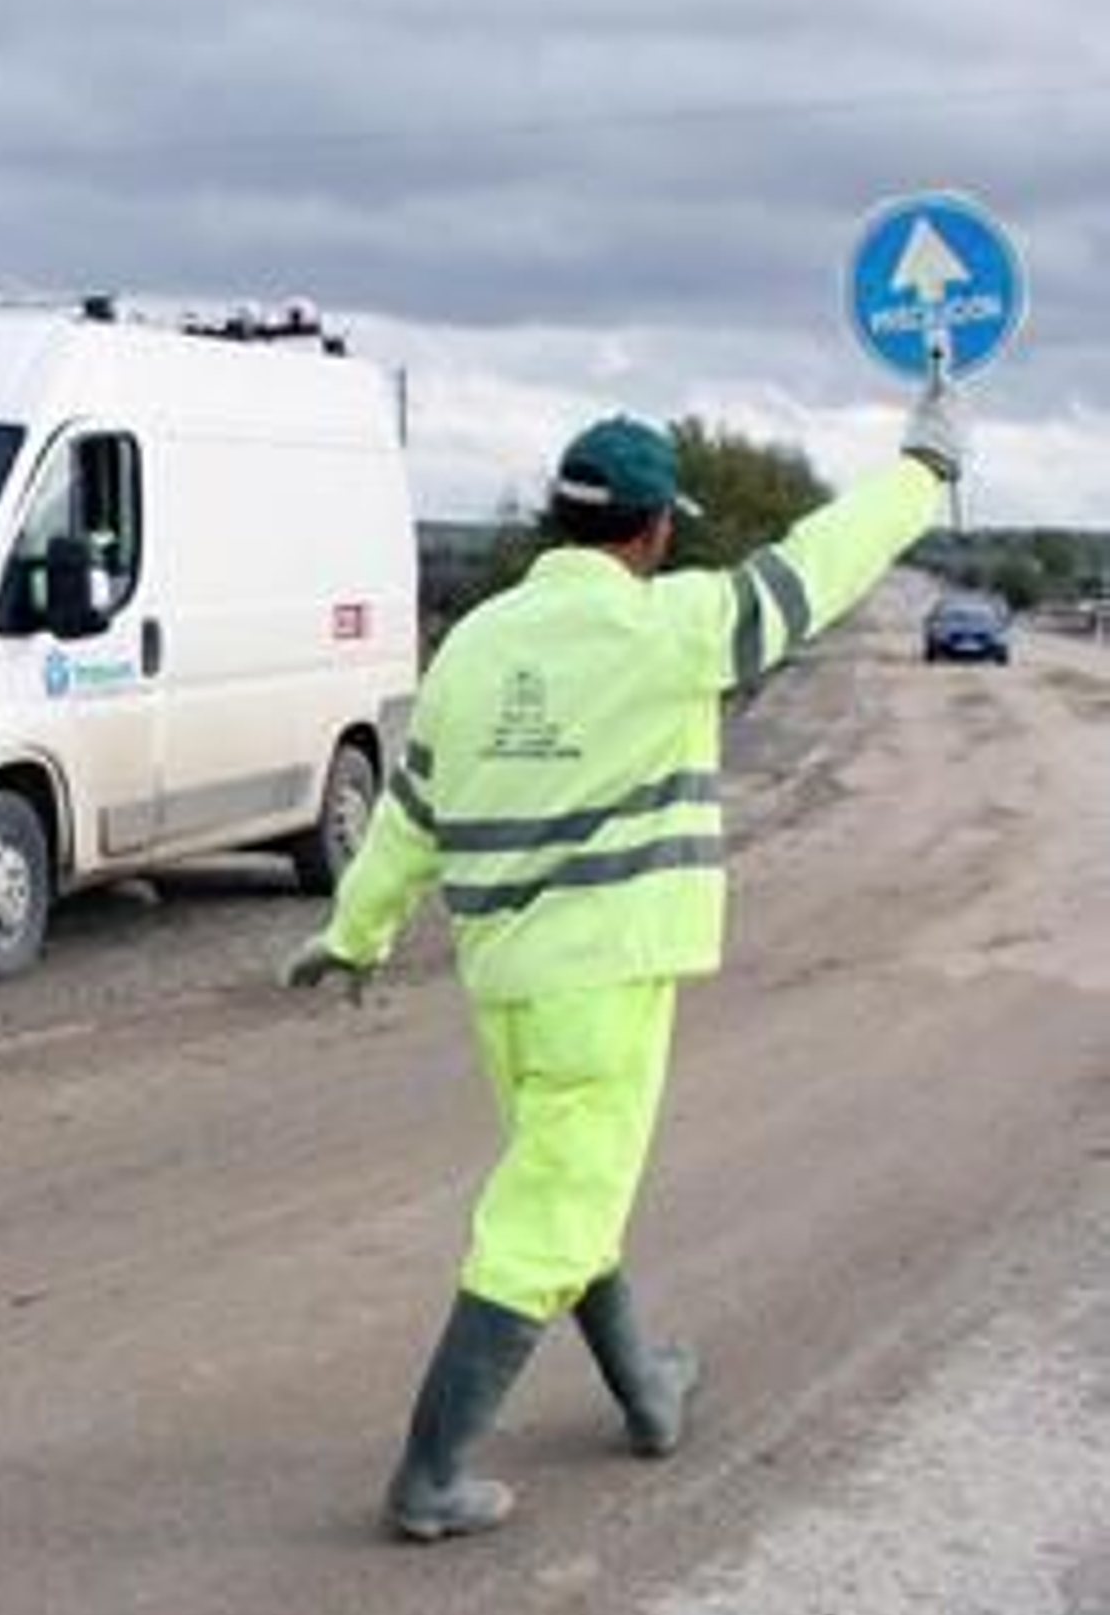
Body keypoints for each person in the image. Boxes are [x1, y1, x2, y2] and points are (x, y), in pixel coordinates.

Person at [286, 387, 962, 1543]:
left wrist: (354, 930)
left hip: (505, 982)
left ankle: (647, 1389)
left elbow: (411, 809)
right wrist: (921, 473)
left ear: (556, 520)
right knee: (553, 1207)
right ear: (652, 532)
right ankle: (429, 1474)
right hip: (603, 980)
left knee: (571, 1179)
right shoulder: (672, 628)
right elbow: (822, 562)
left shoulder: (476, 643)